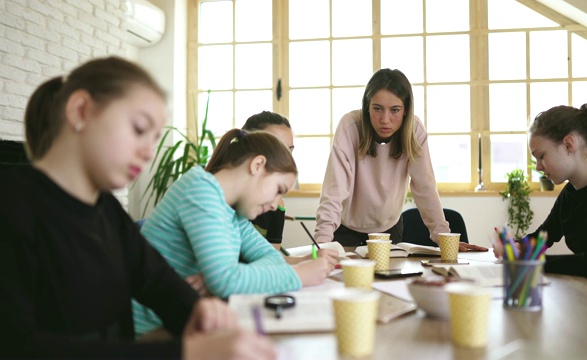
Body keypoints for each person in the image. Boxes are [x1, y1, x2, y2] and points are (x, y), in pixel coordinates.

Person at [0, 56, 275, 358]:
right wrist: (186, 352)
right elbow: (18, 346)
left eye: (154, 138)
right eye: (138, 128)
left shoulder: (105, 208)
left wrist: (197, 309)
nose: (148, 152)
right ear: (80, 111)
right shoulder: (14, 205)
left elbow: (154, 278)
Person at [134, 128, 336, 336]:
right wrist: (300, 275)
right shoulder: (201, 190)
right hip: (152, 333)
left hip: (188, 321)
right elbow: (226, 282)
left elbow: (270, 257)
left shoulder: (231, 209)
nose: (276, 205)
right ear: (258, 165)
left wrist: (222, 277)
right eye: (278, 190)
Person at [314, 68, 485, 251]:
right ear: (367, 106)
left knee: (388, 280)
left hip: (389, 230)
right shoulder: (350, 127)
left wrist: (444, 238)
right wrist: (321, 244)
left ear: (405, 110)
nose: (385, 120)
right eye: (377, 109)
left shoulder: (414, 131)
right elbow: (334, 192)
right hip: (345, 230)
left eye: (394, 110)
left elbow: (425, 187)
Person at [497, 102, 587, 306]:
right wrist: (518, 246)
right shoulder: (570, 192)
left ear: (569, 144)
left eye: (541, 156)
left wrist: (530, 261)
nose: (538, 167)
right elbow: (545, 235)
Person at [242, 111, 339, 264]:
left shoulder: (277, 204)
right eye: (278, 149)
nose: (287, 160)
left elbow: (270, 259)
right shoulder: (224, 199)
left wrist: (309, 259)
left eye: (290, 151)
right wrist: (301, 273)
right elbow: (229, 272)